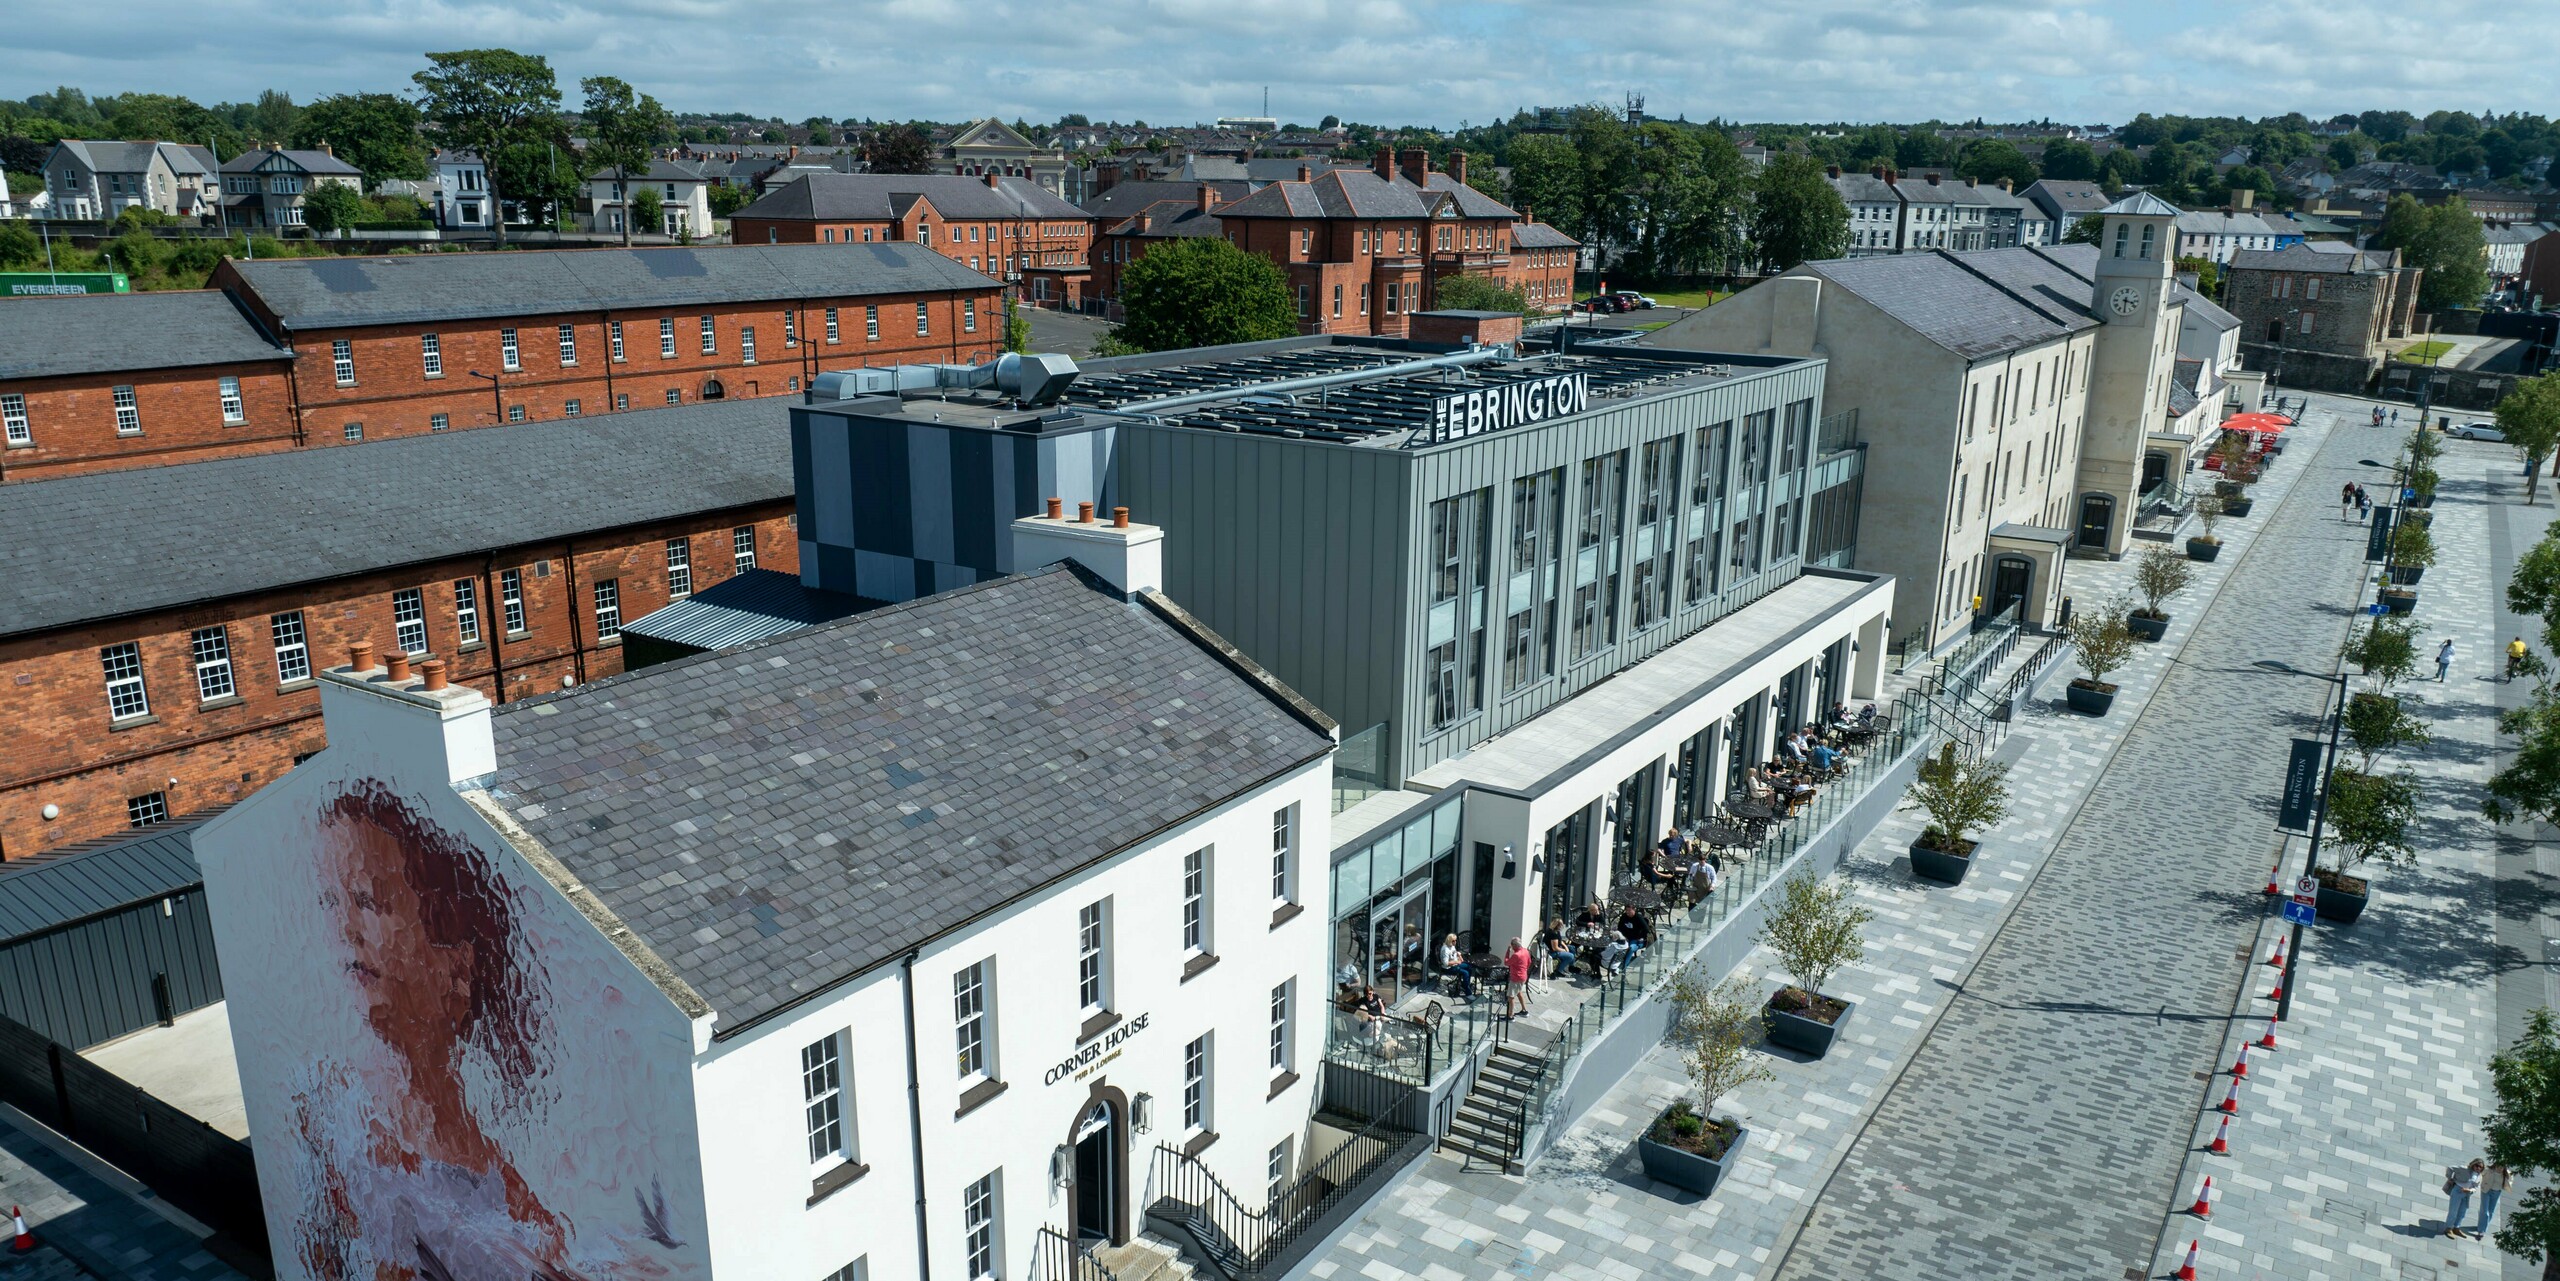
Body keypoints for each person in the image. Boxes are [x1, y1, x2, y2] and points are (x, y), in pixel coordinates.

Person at [2446, 1159, 2483, 1237]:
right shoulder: (2464, 1169)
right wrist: (2450, 1179)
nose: (2478, 1168)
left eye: (2480, 1167)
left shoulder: (2479, 1176)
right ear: (2473, 1164)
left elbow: (2476, 1187)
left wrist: (2470, 1190)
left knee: (2462, 1212)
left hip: (2467, 1194)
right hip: (2458, 1191)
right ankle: (2448, 1228)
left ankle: (2456, 1227)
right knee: (2453, 1211)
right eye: (2477, 1165)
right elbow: (2450, 1168)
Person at [1438, 933, 1475, 999]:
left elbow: (1455, 955)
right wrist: (1456, 961)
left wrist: (1459, 956)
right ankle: (1468, 992)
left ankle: (1466, 985)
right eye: (1453, 941)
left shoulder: (1452, 946)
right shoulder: (1445, 950)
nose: (1455, 942)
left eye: (1455, 940)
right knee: (1465, 973)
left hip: (1456, 964)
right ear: (1449, 941)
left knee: (1469, 967)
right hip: (1448, 968)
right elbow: (1445, 963)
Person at [2479, 1160, 2510, 1237]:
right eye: (2498, 1166)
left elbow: (2509, 1184)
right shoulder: (2489, 1170)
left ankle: (2484, 1224)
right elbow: (2480, 1174)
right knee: (2485, 1211)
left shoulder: (2506, 1174)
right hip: (2486, 1191)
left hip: (2496, 1192)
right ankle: (2481, 1230)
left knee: (2491, 1211)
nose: (2499, 1168)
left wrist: (2507, 1178)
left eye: (2502, 1167)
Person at [1503, 938, 1533, 1017]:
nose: (1511, 947)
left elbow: (1506, 962)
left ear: (1515, 945)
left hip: (1516, 978)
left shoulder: (1516, 955)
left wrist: (1508, 951)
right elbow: (1529, 962)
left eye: (1512, 945)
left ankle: (1510, 1016)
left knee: (1511, 997)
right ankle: (1524, 1010)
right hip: (1523, 976)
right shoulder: (1526, 951)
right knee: (1519, 993)